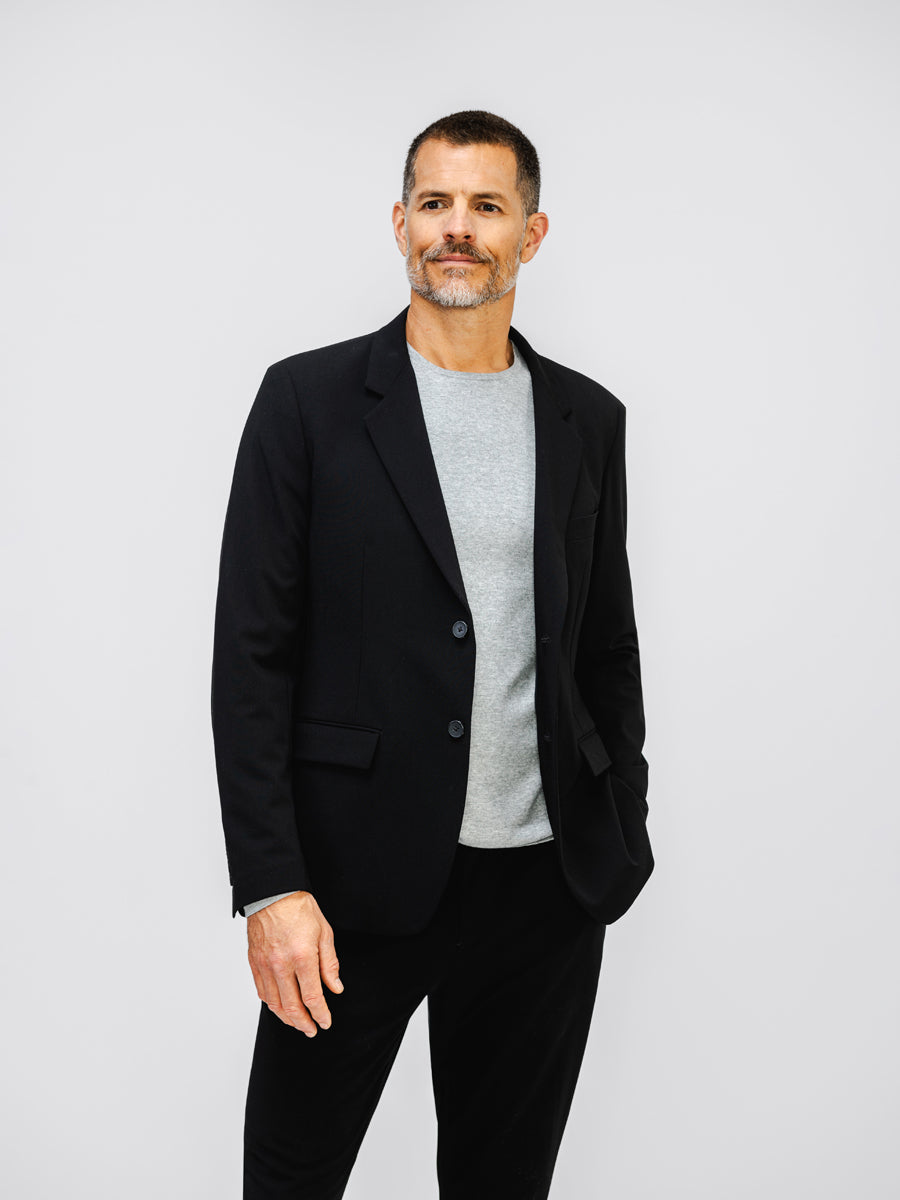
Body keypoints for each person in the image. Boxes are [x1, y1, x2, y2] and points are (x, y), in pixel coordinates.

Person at [211, 109, 654, 1200]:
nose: (458, 227)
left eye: (487, 206)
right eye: (436, 202)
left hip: (543, 890)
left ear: (531, 234)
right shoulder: (307, 403)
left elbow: (606, 643)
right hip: (348, 890)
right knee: (289, 1179)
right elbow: (251, 660)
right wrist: (271, 887)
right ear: (401, 222)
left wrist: (620, 823)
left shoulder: (587, 419)